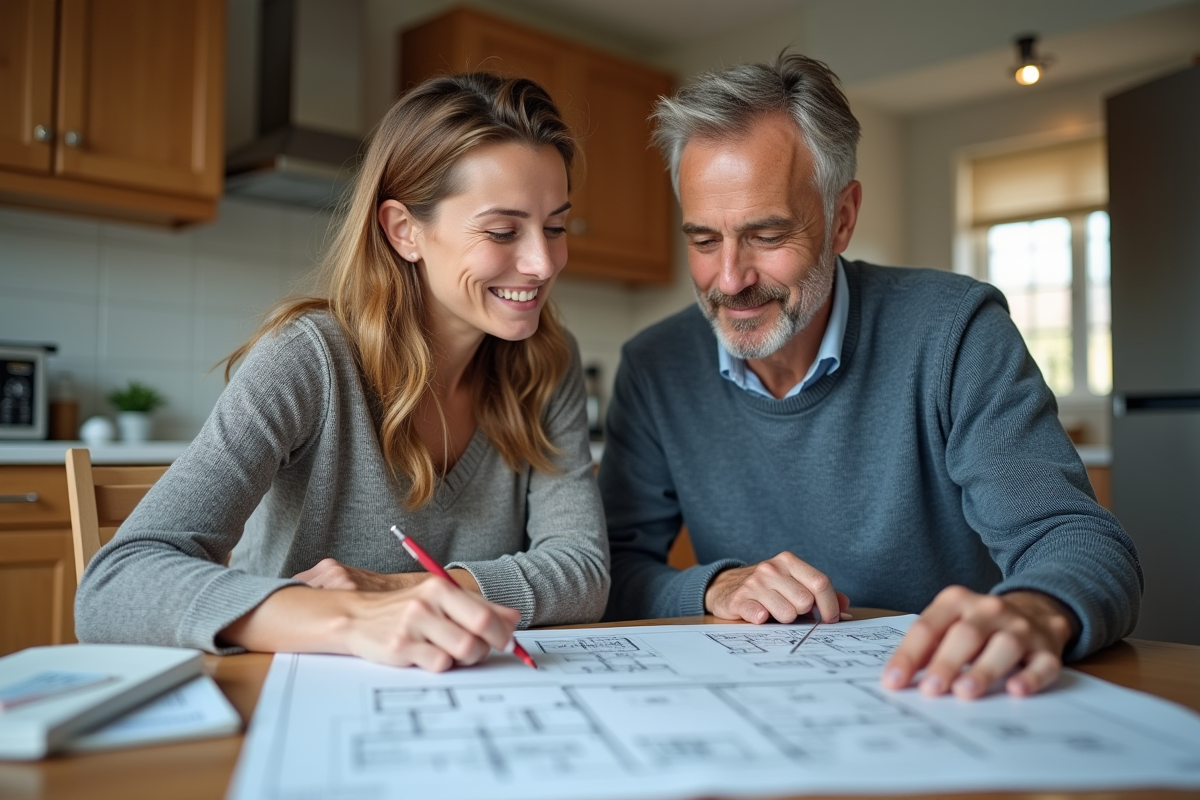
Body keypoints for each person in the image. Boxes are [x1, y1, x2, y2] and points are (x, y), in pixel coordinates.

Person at [599, 53, 1141, 700]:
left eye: (767, 235)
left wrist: (1033, 610)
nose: (730, 279)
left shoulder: (956, 331)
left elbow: (1076, 539)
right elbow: (613, 572)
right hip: (758, 706)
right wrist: (712, 585)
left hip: (937, 698)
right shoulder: (654, 368)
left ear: (842, 219)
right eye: (704, 239)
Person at [76, 73, 609, 672]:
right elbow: (114, 587)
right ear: (404, 230)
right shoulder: (308, 361)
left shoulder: (548, 363)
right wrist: (351, 620)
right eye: (503, 231)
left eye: (556, 227)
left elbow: (583, 569)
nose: (542, 262)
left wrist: (397, 591)